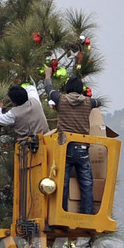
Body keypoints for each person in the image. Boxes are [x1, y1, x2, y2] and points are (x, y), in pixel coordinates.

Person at [43, 66, 101, 214]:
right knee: (86, 183)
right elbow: (99, 102)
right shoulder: (89, 103)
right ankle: (87, 214)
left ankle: (62, 211)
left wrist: (48, 75)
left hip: (65, 148)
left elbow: (49, 89)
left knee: (63, 182)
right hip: (83, 149)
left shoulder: (61, 99)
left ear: (67, 88)